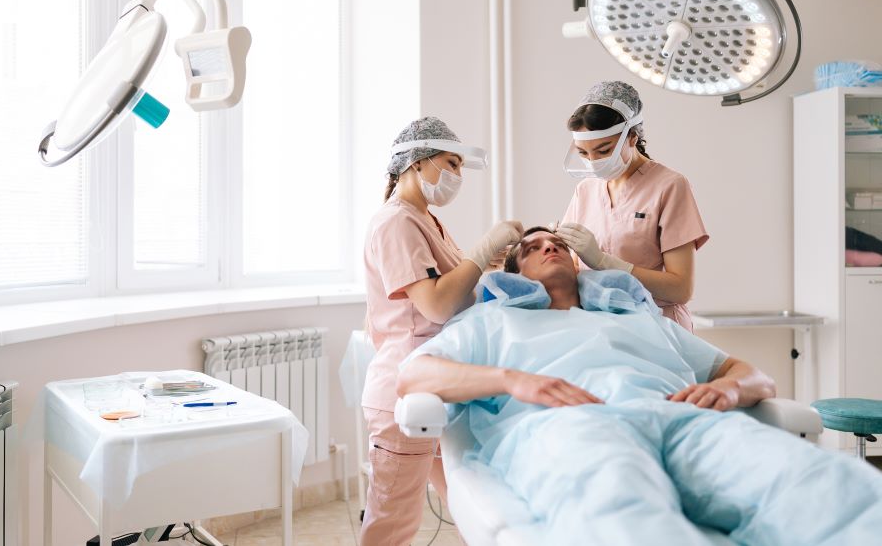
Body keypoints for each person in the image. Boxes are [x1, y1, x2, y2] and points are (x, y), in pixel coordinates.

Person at [398, 227, 882, 544]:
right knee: (620, 507)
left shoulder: (636, 317)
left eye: (557, 244)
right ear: (514, 275)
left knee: (826, 485)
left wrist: (733, 391)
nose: (549, 247)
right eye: (531, 248)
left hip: (679, 418)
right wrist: (512, 380)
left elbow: (753, 374)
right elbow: (413, 376)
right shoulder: (491, 321)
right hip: (568, 427)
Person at [360, 116, 523, 545]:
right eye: (451, 164)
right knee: (391, 523)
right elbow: (434, 304)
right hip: (405, 390)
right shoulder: (396, 221)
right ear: (417, 162)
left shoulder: (424, 218)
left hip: (438, 386)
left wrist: (486, 263)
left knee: (473, 509)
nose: (456, 176)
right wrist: (483, 249)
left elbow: (447, 283)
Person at [554, 81, 707, 330]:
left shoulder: (669, 186)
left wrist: (605, 263)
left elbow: (681, 289)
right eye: (583, 153)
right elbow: (571, 269)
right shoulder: (586, 189)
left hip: (658, 327)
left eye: (604, 150)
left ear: (633, 137)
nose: (593, 163)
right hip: (601, 328)